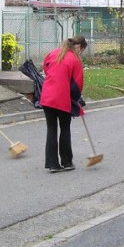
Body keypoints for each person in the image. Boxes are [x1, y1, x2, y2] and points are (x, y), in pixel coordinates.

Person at [40, 36, 87, 173]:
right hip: (62, 99)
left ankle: (52, 164)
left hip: (47, 97)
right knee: (65, 129)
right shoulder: (75, 59)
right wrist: (76, 99)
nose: (81, 53)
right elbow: (77, 85)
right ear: (79, 47)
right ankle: (67, 162)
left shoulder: (52, 53)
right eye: (82, 51)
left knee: (51, 129)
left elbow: (47, 70)